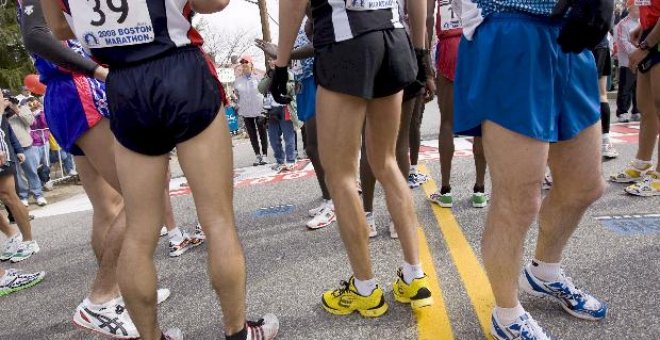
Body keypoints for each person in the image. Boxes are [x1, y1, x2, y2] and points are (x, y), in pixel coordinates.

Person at [43, 1, 279, 339]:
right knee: (217, 219)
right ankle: (238, 332)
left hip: (124, 81)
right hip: (179, 64)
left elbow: (61, 29)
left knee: (139, 232)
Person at [455, 0, 612, 337]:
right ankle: (507, 315)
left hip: (569, 28)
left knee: (585, 186)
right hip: (507, 25)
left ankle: (544, 272)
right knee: (518, 200)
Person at [19, 1, 171, 338]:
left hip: (71, 92)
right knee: (142, 196)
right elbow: (36, 36)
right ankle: (101, 297)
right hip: (78, 89)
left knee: (109, 207)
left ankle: (117, 294)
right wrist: (97, 70)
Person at [274, 0, 433, 318]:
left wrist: (280, 65)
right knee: (386, 161)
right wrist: (420, 51)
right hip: (394, 37)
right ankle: (415, 276)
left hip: (345, 42)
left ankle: (364, 289)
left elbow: (292, 3)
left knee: (341, 175)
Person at [360, 0, 437, 239]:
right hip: (401, 47)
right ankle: (397, 217)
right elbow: (420, 19)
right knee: (399, 144)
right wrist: (425, 66)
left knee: (368, 143)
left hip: (362, 48)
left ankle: (367, 215)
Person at [256, 13, 336, 230]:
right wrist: (279, 51)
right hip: (304, 82)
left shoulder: (313, 10)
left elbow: (318, 42)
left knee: (318, 147)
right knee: (312, 147)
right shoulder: (295, 15)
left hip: (318, 77)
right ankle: (329, 199)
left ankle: (336, 201)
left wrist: (284, 53)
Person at [427, 0, 488, 209]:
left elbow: (428, 18)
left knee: (446, 122)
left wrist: (425, 59)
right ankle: (480, 190)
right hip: (475, 43)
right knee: (480, 123)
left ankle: (445, 191)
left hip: (448, 46)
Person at [616, 0, 660, 197]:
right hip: (650, 32)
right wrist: (642, 26)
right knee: (645, 105)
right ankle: (643, 162)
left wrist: (645, 45)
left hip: (653, 39)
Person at [0, 90, 39, 264]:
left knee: (8, 195)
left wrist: (17, 150)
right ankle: (11, 235)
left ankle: (29, 240)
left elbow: (7, 127)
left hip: (2, 151)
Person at [5, 94, 46, 207]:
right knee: (17, 175)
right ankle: (23, 196)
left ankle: (38, 194)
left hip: (25, 144)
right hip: (10, 148)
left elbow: (30, 121)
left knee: (31, 171)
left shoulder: (21, 107)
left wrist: (15, 108)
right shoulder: (1, 112)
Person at [259, 61, 298, 172]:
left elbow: (291, 88)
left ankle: (291, 161)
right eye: (270, 59)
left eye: (275, 59)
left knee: (288, 136)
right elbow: (260, 89)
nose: (272, 62)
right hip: (271, 111)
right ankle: (280, 161)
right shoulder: (267, 75)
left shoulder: (288, 73)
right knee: (273, 138)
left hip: (285, 108)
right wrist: (269, 77)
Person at [234, 56, 269, 166]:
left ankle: (265, 155)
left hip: (259, 109)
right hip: (245, 110)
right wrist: (236, 103)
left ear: (251, 64)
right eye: (242, 62)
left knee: (262, 132)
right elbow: (236, 95)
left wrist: (265, 108)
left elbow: (265, 92)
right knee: (252, 134)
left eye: (246, 62)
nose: (244, 64)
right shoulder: (238, 80)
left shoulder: (258, 77)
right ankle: (257, 155)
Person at [592, 34, 619, 159]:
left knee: (570, 94)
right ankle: (604, 141)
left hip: (574, 40)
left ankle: (603, 141)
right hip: (599, 41)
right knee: (601, 94)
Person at [614, 0, 642, 123]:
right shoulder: (622, 24)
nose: (639, 10)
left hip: (641, 61)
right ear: (630, 8)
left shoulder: (642, 23)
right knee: (625, 87)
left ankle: (636, 110)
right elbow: (622, 42)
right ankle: (622, 112)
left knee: (638, 87)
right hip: (626, 62)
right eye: (636, 7)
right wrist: (637, 52)